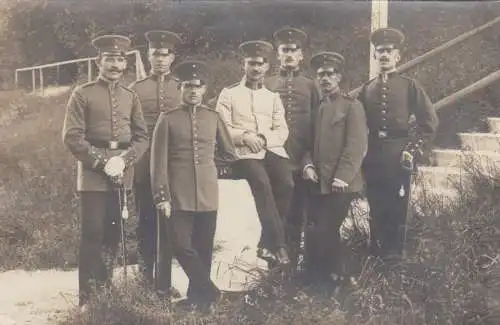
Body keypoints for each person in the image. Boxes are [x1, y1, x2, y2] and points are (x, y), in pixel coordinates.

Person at [62, 34, 149, 308]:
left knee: (114, 232)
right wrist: (101, 162)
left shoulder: (130, 96)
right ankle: (87, 298)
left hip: (123, 172)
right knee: (92, 232)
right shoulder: (82, 93)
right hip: (92, 174)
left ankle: (106, 292)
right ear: (99, 61)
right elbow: (72, 137)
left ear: (126, 64)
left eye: (120, 59)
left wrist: (125, 160)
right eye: (109, 58)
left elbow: (142, 136)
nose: (115, 64)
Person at [150, 60, 237, 309]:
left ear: (205, 89)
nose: (193, 91)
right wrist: (162, 196)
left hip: (207, 193)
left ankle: (199, 300)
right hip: (177, 194)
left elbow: (229, 153)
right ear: (179, 88)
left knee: (204, 248)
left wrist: (211, 166)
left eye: (198, 86)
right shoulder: (167, 119)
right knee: (180, 245)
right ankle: (212, 292)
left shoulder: (213, 116)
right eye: (188, 86)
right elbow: (158, 163)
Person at [357, 27, 439, 262]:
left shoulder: (409, 85)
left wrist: (413, 150)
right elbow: (356, 124)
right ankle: (375, 256)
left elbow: (429, 121)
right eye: (379, 51)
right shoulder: (366, 89)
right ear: (374, 56)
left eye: (388, 51)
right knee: (375, 205)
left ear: (397, 56)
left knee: (397, 207)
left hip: (399, 155)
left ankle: (395, 259)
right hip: (373, 156)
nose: (384, 55)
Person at [216, 40, 293, 267]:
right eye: (251, 63)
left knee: (287, 183)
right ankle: (279, 245)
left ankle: (266, 243)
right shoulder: (229, 94)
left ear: (267, 66)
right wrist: (245, 137)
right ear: (244, 65)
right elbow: (222, 128)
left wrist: (264, 139)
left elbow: (282, 130)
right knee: (261, 181)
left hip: (270, 149)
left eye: (260, 64)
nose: (256, 69)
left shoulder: (272, 97)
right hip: (243, 154)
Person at [302, 51, 368, 285]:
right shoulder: (316, 108)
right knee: (320, 232)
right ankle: (327, 278)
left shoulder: (352, 106)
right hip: (318, 182)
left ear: (339, 77)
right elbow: (307, 145)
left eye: (330, 74)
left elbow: (356, 145)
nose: (325, 79)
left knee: (325, 230)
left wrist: (343, 177)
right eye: (321, 75)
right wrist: (307, 165)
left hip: (341, 184)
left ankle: (341, 277)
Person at [129, 30, 182, 298]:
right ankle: (144, 278)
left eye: (165, 54)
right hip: (144, 164)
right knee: (146, 220)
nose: (159, 59)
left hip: (173, 166)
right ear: (148, 56)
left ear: (172, 57)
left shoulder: (182, 87)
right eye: (154, 54)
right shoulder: (136, 89)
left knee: (171, 223)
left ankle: (164, 281)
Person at [265, 27, 321, 271]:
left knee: (297, 213)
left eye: (294, 50)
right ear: (278, 54)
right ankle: (273, 271)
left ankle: (292, 271)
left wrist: (308, 158)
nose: (289, 54)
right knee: (273, 213)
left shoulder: (311, 86)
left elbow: (318, 126)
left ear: (301, 55)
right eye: (284, 50)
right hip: (273, 159)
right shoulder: (267, 84)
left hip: (300, 159)